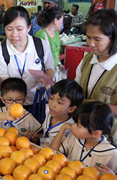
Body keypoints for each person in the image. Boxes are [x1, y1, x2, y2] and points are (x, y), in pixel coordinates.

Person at [0, 6, 54, 109]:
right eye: (9, 29)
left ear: (28, 28)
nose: (14, 34)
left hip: (37, 100)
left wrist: (47, 79)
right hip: (11, 104)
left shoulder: (41, 45)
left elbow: (50, 68)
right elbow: (1, 86)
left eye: (19, 29)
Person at [74, 9, 117, 144]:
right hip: (84, 135)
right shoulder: (88, 59)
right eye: (88, 37)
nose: (91, 44)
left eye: (97, 39)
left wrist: (97, 106)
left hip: (109, 140)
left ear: (113, 38)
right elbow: (77, 88)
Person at [51, 101, 117, 173]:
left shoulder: (111, 154)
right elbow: (52, 153)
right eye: (75, 122)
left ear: (95, 133)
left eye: (78, 125)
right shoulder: (73, 138)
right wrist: (62, 128)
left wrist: (112, 176)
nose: (73, 126)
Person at [39, 79, 84, 147]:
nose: (52, 104)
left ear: (71, 109)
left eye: (59, 102)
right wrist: (37, 136)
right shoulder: (50, 114)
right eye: (51, 98)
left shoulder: (70, 129)